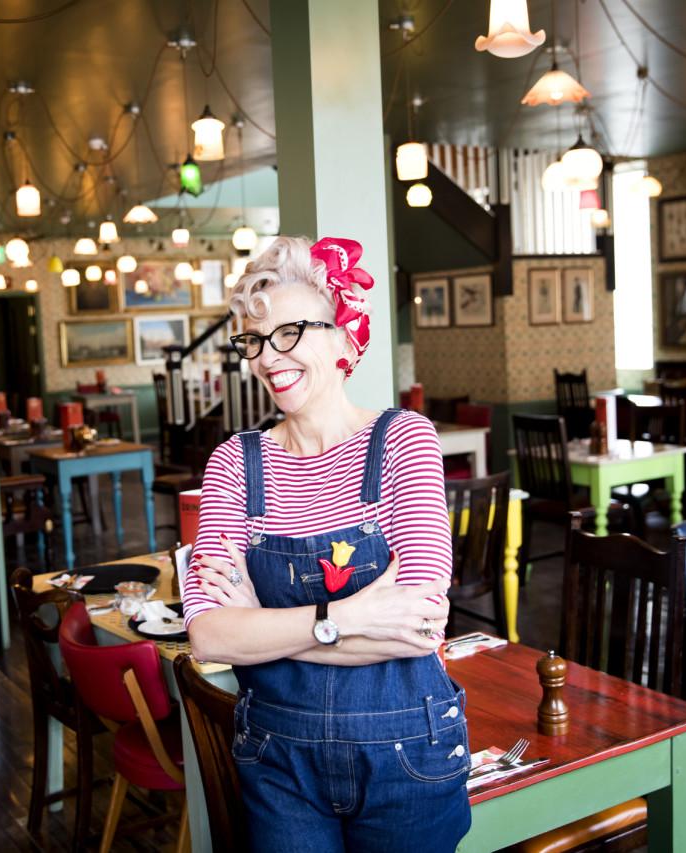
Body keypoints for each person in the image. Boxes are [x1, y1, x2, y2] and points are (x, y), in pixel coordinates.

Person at [183, 236, 470, 852]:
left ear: (344, 337)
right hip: (278, 760)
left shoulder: (404, 441)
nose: (267, 356)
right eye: (256, 340)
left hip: (409, 757)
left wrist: (263, 627)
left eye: (290, 331)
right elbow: (208, 636)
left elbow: (420, 627)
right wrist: (347, 616)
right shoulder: (234, 463)